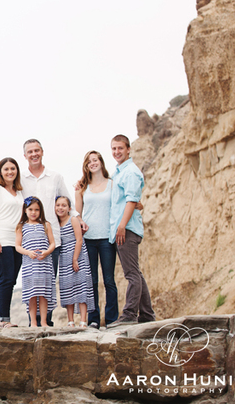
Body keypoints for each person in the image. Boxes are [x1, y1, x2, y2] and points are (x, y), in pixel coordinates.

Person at [20, 139, 82, 326]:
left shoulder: (55, 177)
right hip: (29, 240)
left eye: (37, 150)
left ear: (42, 152)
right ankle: (34, 322)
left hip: (52, 238)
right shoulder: (20, 179)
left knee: (48, 280)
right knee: (32, 281)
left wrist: (79, 219)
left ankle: (47, 321)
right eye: (30, 152)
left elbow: (67, 203)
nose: (34, 154)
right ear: (25, 155)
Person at [108, 135, 155, 327]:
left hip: (126, 229)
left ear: (128, 149)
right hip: (123, 227)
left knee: (131, 274)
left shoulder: (131, 172)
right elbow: (134, 201)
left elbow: (131, 200)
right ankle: (147, 315)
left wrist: (122, 225)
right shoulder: (119, 172)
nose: (117, 152)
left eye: (120, 148)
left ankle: (129, 315)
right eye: (114, 149)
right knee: (135, 272)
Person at [75, 150, 119, 329]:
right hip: (89, 239)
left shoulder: (112, 184)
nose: (93, 163)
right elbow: (77, 214)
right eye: (89, 161)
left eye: (95, 160)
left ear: (101, 162)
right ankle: (94, 319)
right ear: (86, 166)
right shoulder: (82, 187)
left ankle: (111, 319)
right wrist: (81, 221)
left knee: (109, 280)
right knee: (91, 280)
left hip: (108, 238)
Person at [0, 157, 25, 329]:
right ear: (0, 172)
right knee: (6, 279)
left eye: (13, 169)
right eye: (6, 169)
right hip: (0, 240)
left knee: (12, 280)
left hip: (16, 242)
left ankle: (5, 318)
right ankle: (3, 320)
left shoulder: (19, 192)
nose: (10, 172)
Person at [15, 196, 56, 329]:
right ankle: (33, 322)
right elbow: (18, 246)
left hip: (44, 264)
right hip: (30, 265)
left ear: (41, 211)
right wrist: (28, 253)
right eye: (30, 209)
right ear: (25, 210)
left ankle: (43, 321)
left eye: (37, 210)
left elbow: (53, 243)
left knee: (43, 294)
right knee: (32, 294)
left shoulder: (46, 225)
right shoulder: (21, 226)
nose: (33, 212)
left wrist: (46, 252)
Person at [55, 196, 94, 327]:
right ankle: (70, 321)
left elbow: (79, 239)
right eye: (58, 205)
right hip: (64, 260)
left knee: (81, 288)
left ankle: (83, 321)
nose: (60, 208)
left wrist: (75, 259)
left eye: (64, 205)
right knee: (67, 289)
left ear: (69, 208)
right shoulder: (55, 224)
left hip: (78, 257)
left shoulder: (73, 220)